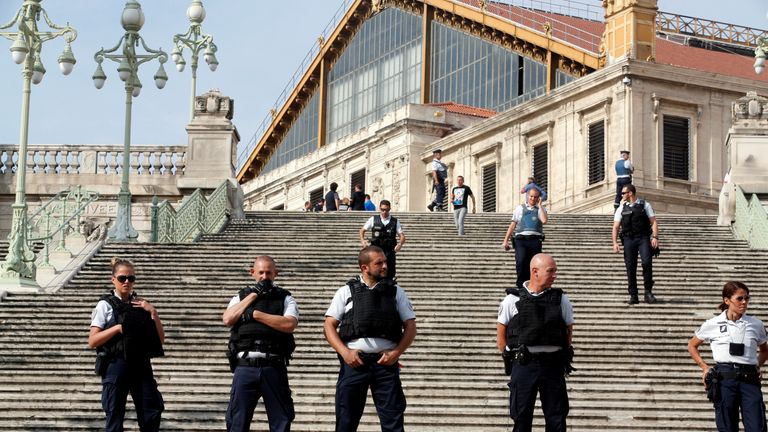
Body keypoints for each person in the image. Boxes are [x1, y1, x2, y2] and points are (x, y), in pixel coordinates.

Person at [323, 246, 417, 432]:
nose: (384, 266)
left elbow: (411, 326)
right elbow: (328, 325)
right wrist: (345, 353)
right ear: (364, 268)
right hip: (354, 363)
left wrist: (396, 353)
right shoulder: (345, 291)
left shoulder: (396, 292)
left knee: (393, 420)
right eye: (379, 263)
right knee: (346, 419)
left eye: (385, 261)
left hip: (385, 365)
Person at [496, 253, 574, 432]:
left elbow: (568, 333)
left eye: (556, 271)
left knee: (557, 417)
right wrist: (513, 357)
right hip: (524, 364)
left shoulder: (562, 299)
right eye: (551, 271)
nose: (555, 275)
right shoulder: (512, 300)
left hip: (552, 365)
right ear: (535, 271)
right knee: (521, 416)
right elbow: (501, 336)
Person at [222, 256, 299, 432]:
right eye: (261, 272)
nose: (265, 277)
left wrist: (255, 315)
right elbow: (227, 318)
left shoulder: (285, 297)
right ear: (253, 273)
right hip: (245, 367)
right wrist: (253, 295)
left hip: (273, 366)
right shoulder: (240, 296)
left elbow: (289, 324)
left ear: (275, 274)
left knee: (281, 420)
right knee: (237, 421)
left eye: (269, 273)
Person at [88, 257, 165, 432]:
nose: (127, 282)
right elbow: (92, 341)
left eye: (131, 278)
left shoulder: (140, 304)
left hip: (141, 364)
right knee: (114, 416)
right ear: (113, 279)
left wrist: (153, 312)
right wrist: (117, 328)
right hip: (116, 364)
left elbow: (160, 340)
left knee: (151, 413)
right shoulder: (105, 305)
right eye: (122, 278)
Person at [688, 281, 768, 432]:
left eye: (747, 298)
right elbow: (692, 346)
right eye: (740, 298)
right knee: (727, 428)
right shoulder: (713, 323)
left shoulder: (756, 324)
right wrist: (704, 367)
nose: (744, 302)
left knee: (757, 427)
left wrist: (756, 365)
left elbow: (765, 350)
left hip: (749, 380)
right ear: (727, 300)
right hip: (725, 379)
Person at [611, 184, 659, 305]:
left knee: (647, 263)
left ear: (630, 193)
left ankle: (648, 292)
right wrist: (615, 242)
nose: (621, 195)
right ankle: (633, 295)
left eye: (623, 193)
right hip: (628, 239)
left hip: (643, 238)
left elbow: (653, 222)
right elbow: (616, 226)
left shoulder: (645, 205)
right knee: (630, 267)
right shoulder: (621, 208)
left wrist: (655, 237)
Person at [502, 188, 548, 289]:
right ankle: (520, 286)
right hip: (521, 239)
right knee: (521, 261)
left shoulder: (541, 209)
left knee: (535, 264)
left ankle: (533, 284)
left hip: (535, 240)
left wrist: (540, 205)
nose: (533, 198)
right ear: (527, 196)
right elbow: (513, 224)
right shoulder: (520, 208)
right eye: (531, 196)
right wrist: (505, 240)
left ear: (538, 198)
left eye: (535, 197)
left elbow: (544, 221)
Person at [360, 200, 405, 280]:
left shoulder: (395, 221)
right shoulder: (373, 219)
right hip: (376, 251)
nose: (384, 212)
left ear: (390, 209)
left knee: (390, 272)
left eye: (387, 210)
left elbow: (402, 236)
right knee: (375, 271)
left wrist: (400, 244)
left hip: (389, 251)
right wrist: (363, 240)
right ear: (379, 209)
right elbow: (362, 230)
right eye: (383, 209)